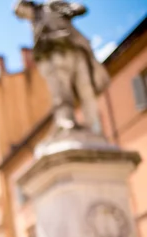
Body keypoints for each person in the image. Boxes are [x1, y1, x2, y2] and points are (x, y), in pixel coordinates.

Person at [14, 0, 110, 136]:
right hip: (54, 59)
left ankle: (94, 125)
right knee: (61, 92)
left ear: (27, 5)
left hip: (74, 50)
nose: (25, 17)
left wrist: (68, 11)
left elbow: (80, 7)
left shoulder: (50, 6)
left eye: (23, 13)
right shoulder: (34, 24)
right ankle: (66, 122)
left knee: (86, 89)